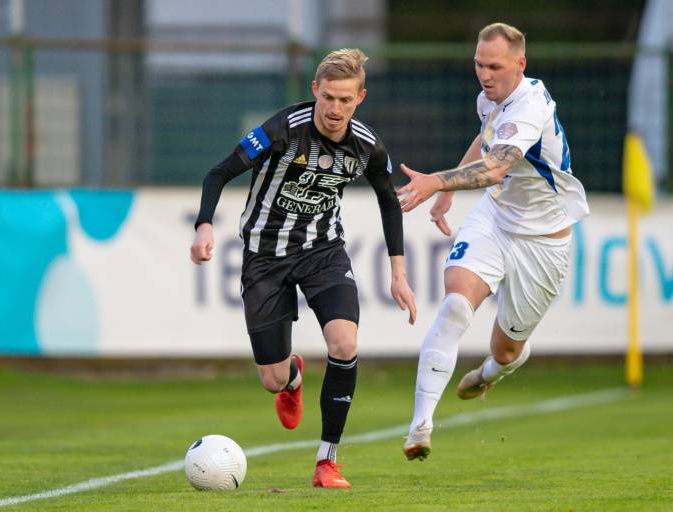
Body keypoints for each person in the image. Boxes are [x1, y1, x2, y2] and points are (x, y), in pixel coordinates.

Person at [190, 48, 417, 487]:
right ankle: (292, 378)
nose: (334, 109)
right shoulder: (282, 130)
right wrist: (204, 226)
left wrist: (399, 272)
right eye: (327, 97)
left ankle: (327, 461)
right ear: (315, 89)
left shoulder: (367, 145)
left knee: (344, 343)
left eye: (345, 100)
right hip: (265, 257)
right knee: (272, 379)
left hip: (322, 252)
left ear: (360, 98)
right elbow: (218, 173)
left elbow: (389, 201)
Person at [397, 23, 589, 461]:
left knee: (506, 349)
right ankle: (420, 427)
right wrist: (448, 192)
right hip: (495, 219)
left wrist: (437, 181)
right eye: (479, 65)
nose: (485, 75)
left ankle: (491, 372)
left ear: (520, 64)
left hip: (543, 242)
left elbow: (498, 166)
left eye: (495, 67)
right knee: (455, 305)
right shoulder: (491, 97)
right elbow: (486, 138)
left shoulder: (529, 107)